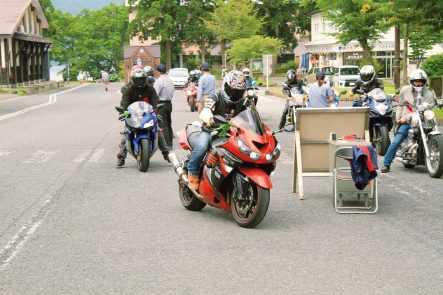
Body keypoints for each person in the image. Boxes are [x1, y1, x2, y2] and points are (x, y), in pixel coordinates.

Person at [187, 70, 248, 190]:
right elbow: (206, 109)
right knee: (202, 147)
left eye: (239, 92)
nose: (235, 94)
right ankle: (192, 172)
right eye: (232, 91)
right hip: (211, 130)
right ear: (225, 86)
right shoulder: (215, 96)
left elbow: (252, 114)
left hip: (232, 132)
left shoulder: (244, 101)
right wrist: (208, 117)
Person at [381, 69, 436, 173]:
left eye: (420, 81)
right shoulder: (405, 90)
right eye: (416, 81)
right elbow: (401, 105)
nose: (418, 83)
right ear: (412, 81)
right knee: (396, 141)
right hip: (407, 122)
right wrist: (398, 118)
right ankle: (386, 164)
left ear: (424, 81)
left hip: (423, 121)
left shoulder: (429, 93)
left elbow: (429, 107)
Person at [117, 68, 170, 167]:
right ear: (133, 80)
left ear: (145, 79)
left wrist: (156, 112)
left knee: (157, 130)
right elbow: (124, 103)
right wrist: (125, 113)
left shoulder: (150, 88)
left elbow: (155, 101)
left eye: (142, 79)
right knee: (126, 133)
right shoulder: (128, 90)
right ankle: (121, 157)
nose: (140, 81)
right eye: (137, 80)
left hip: (147, 115)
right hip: (132, 115)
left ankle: (166, 153)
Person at [153, 64, 175, 148]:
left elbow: (154, 94)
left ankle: (167, 144)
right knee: (168, 123)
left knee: (163, 124)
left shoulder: (159, 81)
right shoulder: (169, 80)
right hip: (169, 103)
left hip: (161, 104)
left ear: (158, 72)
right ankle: (170, 143)